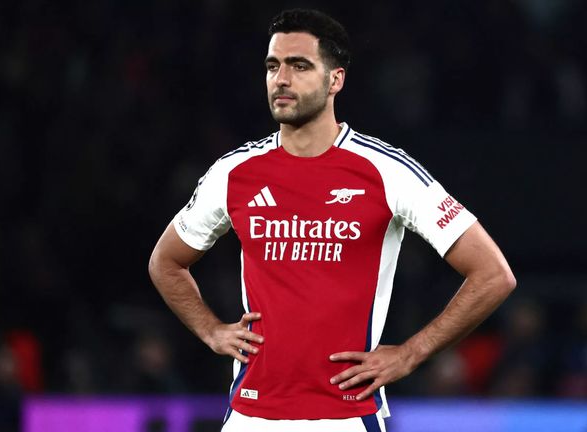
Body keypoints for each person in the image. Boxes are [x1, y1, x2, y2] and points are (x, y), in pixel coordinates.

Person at [148, 8, 516, 432]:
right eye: (273, 66)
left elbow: (493, 274)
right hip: (249, 415)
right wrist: (212, 331)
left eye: (299, 65)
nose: (281, 79)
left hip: (346, 416)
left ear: (335, 79)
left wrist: (411, 353)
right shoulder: (234, 172)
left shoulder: (387, 171)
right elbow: (166, 261)